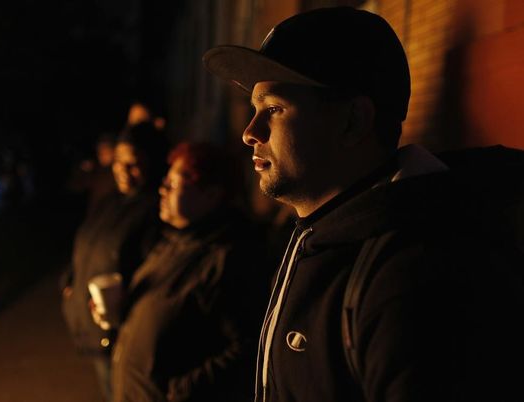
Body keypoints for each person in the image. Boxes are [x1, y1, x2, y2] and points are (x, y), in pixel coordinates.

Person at [203, 6, 523, 402]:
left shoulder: (420, 272)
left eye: (273, 109)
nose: (250, 133)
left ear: (353, 120)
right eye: (254, 110)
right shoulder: (319, 236)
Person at [91, 141, 268, 402]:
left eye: (173, 184)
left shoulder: (227, 260)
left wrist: (181, 390)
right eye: (165, 180)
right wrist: (123, 312)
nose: (162, 189)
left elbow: (249, 346)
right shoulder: (173, 241)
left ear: (212, 194)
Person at [61, 121, 169, 402]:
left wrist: (120, 303)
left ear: (152, 163)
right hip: (93, 326)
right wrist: (70, 281)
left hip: (121, 330)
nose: (123, 169)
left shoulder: (156, 211)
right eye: (119, 161)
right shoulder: (110, 201)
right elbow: (85, 242)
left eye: (133, 163)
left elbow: (154, 273)